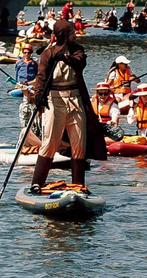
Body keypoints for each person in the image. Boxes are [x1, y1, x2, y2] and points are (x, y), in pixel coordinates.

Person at [25, 14, 104, 192]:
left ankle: (78, 185)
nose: (74, 34)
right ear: (62, 34)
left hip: (76, 99)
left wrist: (66, 58)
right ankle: (37, 183)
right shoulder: (48, 54)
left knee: (79, 143)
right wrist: (38, 96)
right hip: (55, 100)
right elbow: (41, 77)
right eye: (71, 32)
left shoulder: (77, 50)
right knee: (50, 142)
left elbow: (80, 62)